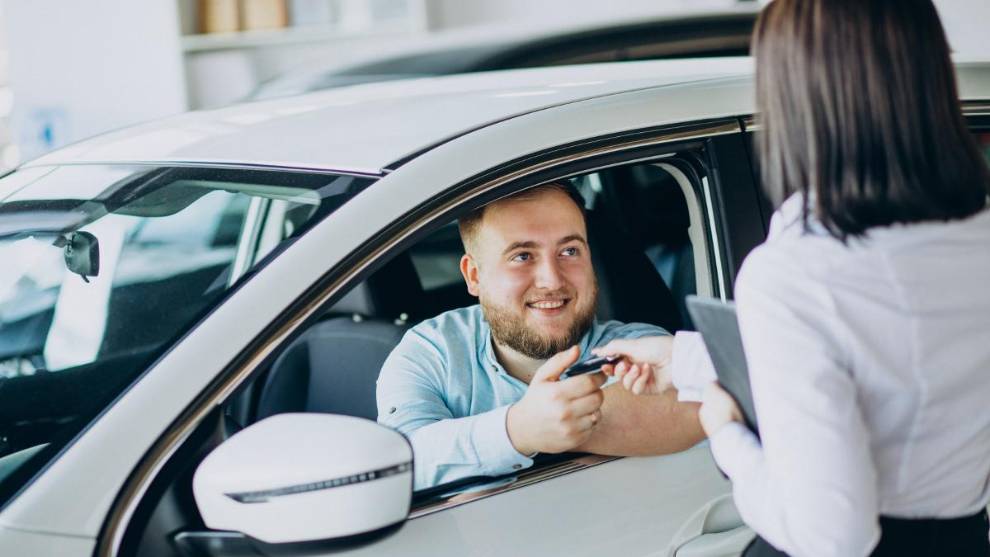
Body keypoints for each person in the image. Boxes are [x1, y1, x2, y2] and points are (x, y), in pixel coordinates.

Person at [595, 1, 990, 556]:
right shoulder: (977, 236)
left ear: (793, 96)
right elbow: (889, 362)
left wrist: (725, 433)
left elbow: (835, 536)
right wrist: (684, 360)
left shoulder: (798, 273)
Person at [376, 183, 704, 489]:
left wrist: (558, 425)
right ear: (474, 275)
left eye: (569, 251)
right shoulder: (431, 352)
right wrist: (517, 430)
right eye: (522, 256)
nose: (551, 280)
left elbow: (692, 407)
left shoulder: (635, 348)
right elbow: (398, 462)